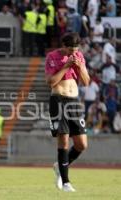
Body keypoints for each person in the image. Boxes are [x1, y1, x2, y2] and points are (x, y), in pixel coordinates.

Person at [45, 32, 90, 192]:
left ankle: (60, 166)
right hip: (58, 100)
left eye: (75, 50)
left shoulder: (78, 56)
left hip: (74, 102)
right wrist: (66, 66)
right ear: (64, 46)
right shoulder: (52, 56)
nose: (73, 53)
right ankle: (65, 182)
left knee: (82, 144)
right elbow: (51, 82)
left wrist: (80, 67)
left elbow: (86, 82)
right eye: (70, 50)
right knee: (63, 141)